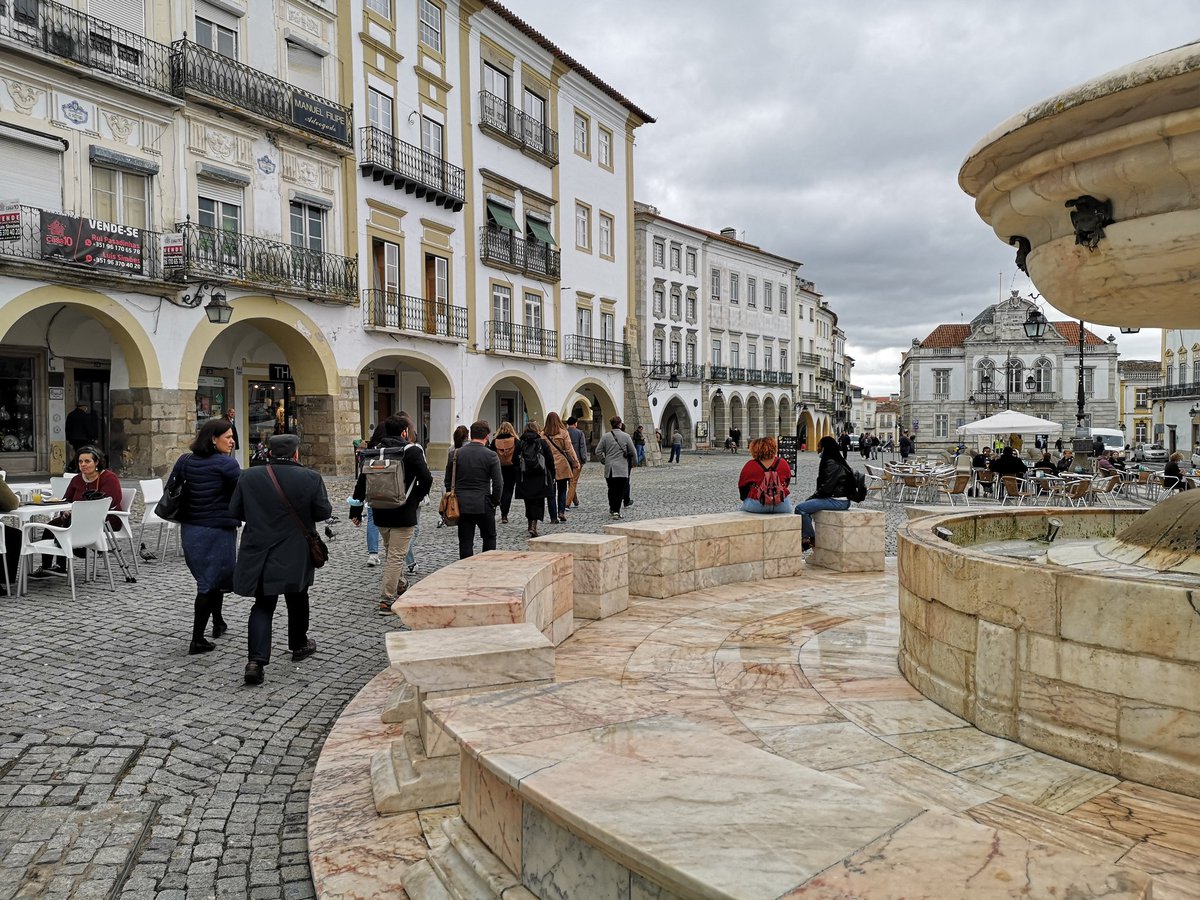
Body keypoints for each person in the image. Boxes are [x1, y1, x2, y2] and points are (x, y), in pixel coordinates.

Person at [231, 433, 332, 686]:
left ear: (269, 453)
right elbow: (323, 511)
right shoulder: (310, 478)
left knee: (263, 604)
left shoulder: (248, 476)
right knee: (298, 597)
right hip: (295, 549)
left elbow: (235, 511)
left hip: (259, 549)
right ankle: (299, 644)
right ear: (296, 453)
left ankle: (255, 662)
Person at [167, 418, 241, 654]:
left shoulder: (185, 460)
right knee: (209, 582)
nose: (232, 441)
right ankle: (197, 639)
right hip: (218, 530)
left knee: (211, 578)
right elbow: (240, 495)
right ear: (213, 439)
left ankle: (218, 622)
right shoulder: (227, 464)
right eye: (228, 437)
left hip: (192, 529)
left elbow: (171, 488)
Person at [349, 414, 432, 610]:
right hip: (404, 512)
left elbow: (362, 482)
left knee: (392, 552)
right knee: (395, 556)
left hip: (380, 511)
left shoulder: (375, 452)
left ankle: (401, 584)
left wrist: (356, 509)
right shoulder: (411, 451)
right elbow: (427, 479)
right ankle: (387, 599)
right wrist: (415, 498)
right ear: (404, 432)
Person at [29, 445, 124, 578]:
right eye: (80, 461)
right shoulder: (77, 479)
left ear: (97, 462)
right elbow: (66, 500)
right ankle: (47, 567)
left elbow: (109, 502)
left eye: (87, 461)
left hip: (105, 519)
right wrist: (65, 511)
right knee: (51, 526)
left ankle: (64, 563)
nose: (83, 465)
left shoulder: (109, 478)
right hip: (75, 518)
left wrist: (78, 512)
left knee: (65, 528)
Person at [446, 420, 501, 559]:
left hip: (462, 503)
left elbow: (448, 480)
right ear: (487, 436)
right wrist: (495, 501)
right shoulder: (491, 455)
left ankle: (466, 566)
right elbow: (498, 483)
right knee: (489, 537)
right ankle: (486, 564)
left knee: (465, 541)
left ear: (471, 435)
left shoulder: (456, 454)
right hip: (483, 501)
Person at [793, 436, 852, 552]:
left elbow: (826, 488)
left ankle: (811, 538)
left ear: (825, 448)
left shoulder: (831, 463)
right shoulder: (835, 459)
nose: (817, 449)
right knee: (806, 505)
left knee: (801, 509)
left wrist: (812, 498)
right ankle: (806, 538)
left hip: (837, 500)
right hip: (838, 499)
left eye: (819, 446)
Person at [515, 422, 555, 537]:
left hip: (525, 477)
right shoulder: (542, 443)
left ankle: (530, 523)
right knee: (538, 502)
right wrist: (552, 475)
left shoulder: (520, 443)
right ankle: (533, 524)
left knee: (528, 502)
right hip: (540, 476)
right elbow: (550, 460)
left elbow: (514, 460)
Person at [595, 416, 637, 520]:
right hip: (621, 468)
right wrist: (634, 463)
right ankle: (616, 511)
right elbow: (633, 451)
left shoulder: (605, 436)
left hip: (609, 468)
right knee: (620, 491)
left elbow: (598, 451)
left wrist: (604, 461)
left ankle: (612, 507)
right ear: (620, 424)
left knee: (611, 489)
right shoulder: (626, 436)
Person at [738, 437, 793, 513]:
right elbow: (787, 481)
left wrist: (746, 497)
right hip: (781, 504)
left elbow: (742, 486)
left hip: (757, 504)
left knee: (742, 512)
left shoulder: (750, 465)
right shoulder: (783, 463)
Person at [543, 412, 580, 523]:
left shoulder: (543, 434)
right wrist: (575, 462)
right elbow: (569, 449)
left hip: (548, 465)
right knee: (562, 489)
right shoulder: (563, 433)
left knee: (551, 492)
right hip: (562, 464)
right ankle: (561, 511)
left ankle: (553, 517)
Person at [488, 421, 519, 524]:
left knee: (499, 488)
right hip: (512, 468)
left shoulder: (495, 441)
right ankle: (504, 514)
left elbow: (491, 454)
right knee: (508, 491)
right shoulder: (515, 440)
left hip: (498, 468)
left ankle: (498, 507)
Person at [64, 402, 99, 471]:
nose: (86, 409)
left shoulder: (71, 415)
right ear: (83, 407)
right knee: (81, 453)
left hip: (73, 439)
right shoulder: (84, 416)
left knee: (79, 453)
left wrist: (68, 438)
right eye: (86, 407)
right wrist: (93, 437)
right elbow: (88, 428)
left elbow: (67, 427)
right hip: (83, 439)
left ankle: (75, 467)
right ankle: (72, 467)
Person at [566, 416, 588, 508]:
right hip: (577, 460)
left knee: (570, 481)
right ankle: (567, 503)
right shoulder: (579, 433)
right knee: (573, 481)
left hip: (567, 460)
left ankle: (575, 500)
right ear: (575, 423)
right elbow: (582, 447)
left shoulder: (565, 432)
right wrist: (583, 459)